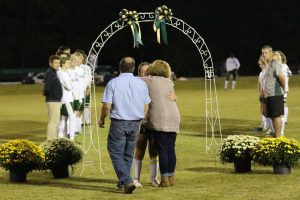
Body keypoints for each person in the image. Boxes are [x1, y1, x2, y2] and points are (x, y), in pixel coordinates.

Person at [98, 57, 151, 194]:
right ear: (134, 68)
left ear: (120, 67)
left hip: (119, 123)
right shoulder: (141, 84)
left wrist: (102, 119)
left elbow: (106, 105)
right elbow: (146, 106)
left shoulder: (113, 83)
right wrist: (141, 119)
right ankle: (124, 182)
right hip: (135, 123)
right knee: (128, 154)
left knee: (115, 152)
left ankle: (126, 181)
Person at [142, 60, 180, 187]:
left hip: (160, 117)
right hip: (174, 116)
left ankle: (164, 180)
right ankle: (171, 177)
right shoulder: (169, 82)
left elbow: (136, 80)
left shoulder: (149, 80)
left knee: (162, 148)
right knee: (171, 148)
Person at [132, 62, 160, 187]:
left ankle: (154, 179)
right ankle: (136, 179)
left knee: (154, 151)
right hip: (142, 121)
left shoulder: (156, 83)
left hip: (154, 121)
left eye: (148, 70)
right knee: (139, 149)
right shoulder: (136, 84)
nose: (146, 73)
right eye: (144, 71)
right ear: (139, 73)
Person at [262, 46, 285, 138]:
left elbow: (282, 77)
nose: (264, 55)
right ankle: (276, 134)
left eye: (266, 53)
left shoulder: (274, 63)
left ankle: (278, 136)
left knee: (276, 116)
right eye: (263, 53)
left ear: (271, 53)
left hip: (275, 93)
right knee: (271, 116)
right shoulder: (268, 64)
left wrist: (282, 88)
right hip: (269, 94)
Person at [57, 56, 76, 140]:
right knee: (71, 117)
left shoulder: (65, 72)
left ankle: (61, 136)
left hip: (68, 97)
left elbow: (70, 85)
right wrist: (71, 87)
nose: (70, 64)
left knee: (64, 117)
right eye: (68, 63)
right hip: (65, 98)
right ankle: (71, 138)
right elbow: (69, 86)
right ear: (63, 64)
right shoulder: (61, 73)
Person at [43, 55, 62, 140]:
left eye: (58, 63)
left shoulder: (53, 72)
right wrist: (50, 95)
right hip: (53, 101)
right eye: (55, 63)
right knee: (53, 122)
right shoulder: (50, 73)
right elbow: (47, 88)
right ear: (50, 63)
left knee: (56, 121)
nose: (57, 64)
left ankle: (53, 138)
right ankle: (50, 139)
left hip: (55, 100)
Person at [275, 51, 292, 136]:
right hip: (279, 90)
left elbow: (284, 77)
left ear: (281, 57)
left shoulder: (283, 66)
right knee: (280, 107)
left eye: (278, 55)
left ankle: (281, 129)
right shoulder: (283, 66)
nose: (276, 57)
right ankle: (282, 123)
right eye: (275, 56)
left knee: (281, 107)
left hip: (282, 89)